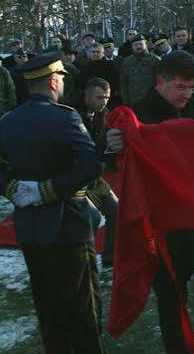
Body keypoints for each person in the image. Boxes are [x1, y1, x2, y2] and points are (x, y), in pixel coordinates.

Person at [0, 53, 104, 353]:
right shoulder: (65, 117)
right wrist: (48, 190)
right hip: (69, 225)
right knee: (82, 306)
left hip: (31, 228)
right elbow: (90, 165)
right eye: (62, 79)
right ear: (53, 81)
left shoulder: (7, 122)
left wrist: (15, 189)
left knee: (48, 306)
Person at [106, 51, 194, 354]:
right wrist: (110, 146)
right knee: (172, 296)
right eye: (181, 87)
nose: (187, 94)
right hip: (165, 227)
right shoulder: (137, 117)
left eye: (191, 87)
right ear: (161, 81)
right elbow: (103, 158)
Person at [79, 77, 119, 267]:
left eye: (107, 97)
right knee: (90, 218)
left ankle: (109, 257)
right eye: (99, 97)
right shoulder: (72, 115)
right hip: (76, 178)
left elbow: (105, 146)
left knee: (116, 210)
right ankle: (82, 260)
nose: (104, 101)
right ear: (86, 96)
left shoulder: (106, 114)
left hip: (95, 176)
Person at [120, 34, 160, 106]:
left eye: (140, 44)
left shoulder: (155, 60)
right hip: (134, 102)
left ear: (145, 44)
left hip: (152, 101)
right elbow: (123, 83)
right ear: (132, 47)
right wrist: (126, 102)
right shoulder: (127, 62)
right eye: (135, 45)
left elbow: (160, 81)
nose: (138, 47)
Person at [79, 43, 121, 109]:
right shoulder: (84, 67)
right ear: (89, 53)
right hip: (90, 101)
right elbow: (81, 85)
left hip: (108, 100)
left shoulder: (110, 66)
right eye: (93, 52)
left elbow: (116, 83)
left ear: (103, 53)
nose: (95, 54)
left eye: (98, 52)